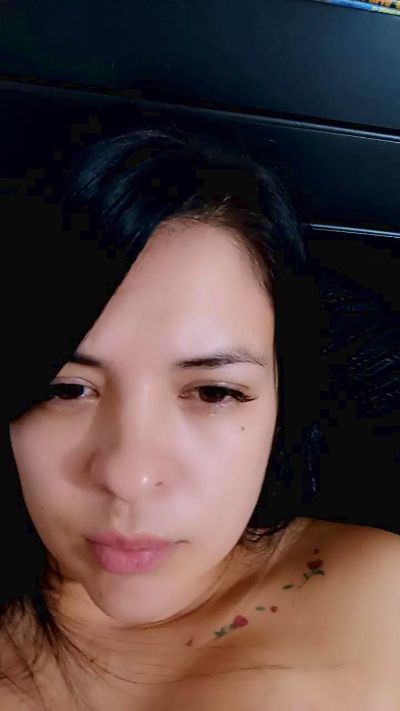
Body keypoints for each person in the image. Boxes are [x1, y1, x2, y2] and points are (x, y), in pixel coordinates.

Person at [1, 126, 399, 710]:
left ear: (284, 397)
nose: (129, 477)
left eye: (214, 392)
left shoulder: (383, 598)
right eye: (65, 389)